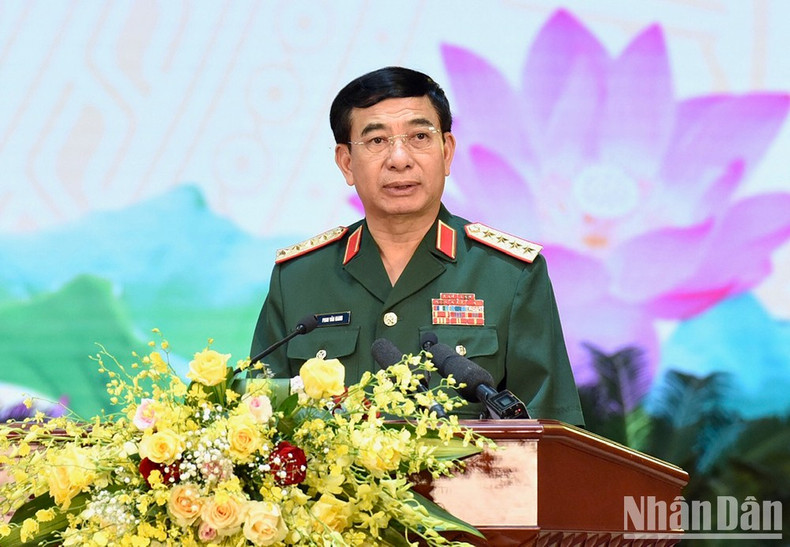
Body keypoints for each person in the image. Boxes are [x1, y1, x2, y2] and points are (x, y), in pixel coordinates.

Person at [251, 66, 584, 424]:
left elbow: (551, 435)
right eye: (377, 141)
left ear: (447, 151)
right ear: (346, 163)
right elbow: (259, 424)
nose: (399, 159)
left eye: (419, 137)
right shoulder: (299, 278)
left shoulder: (509, 275)